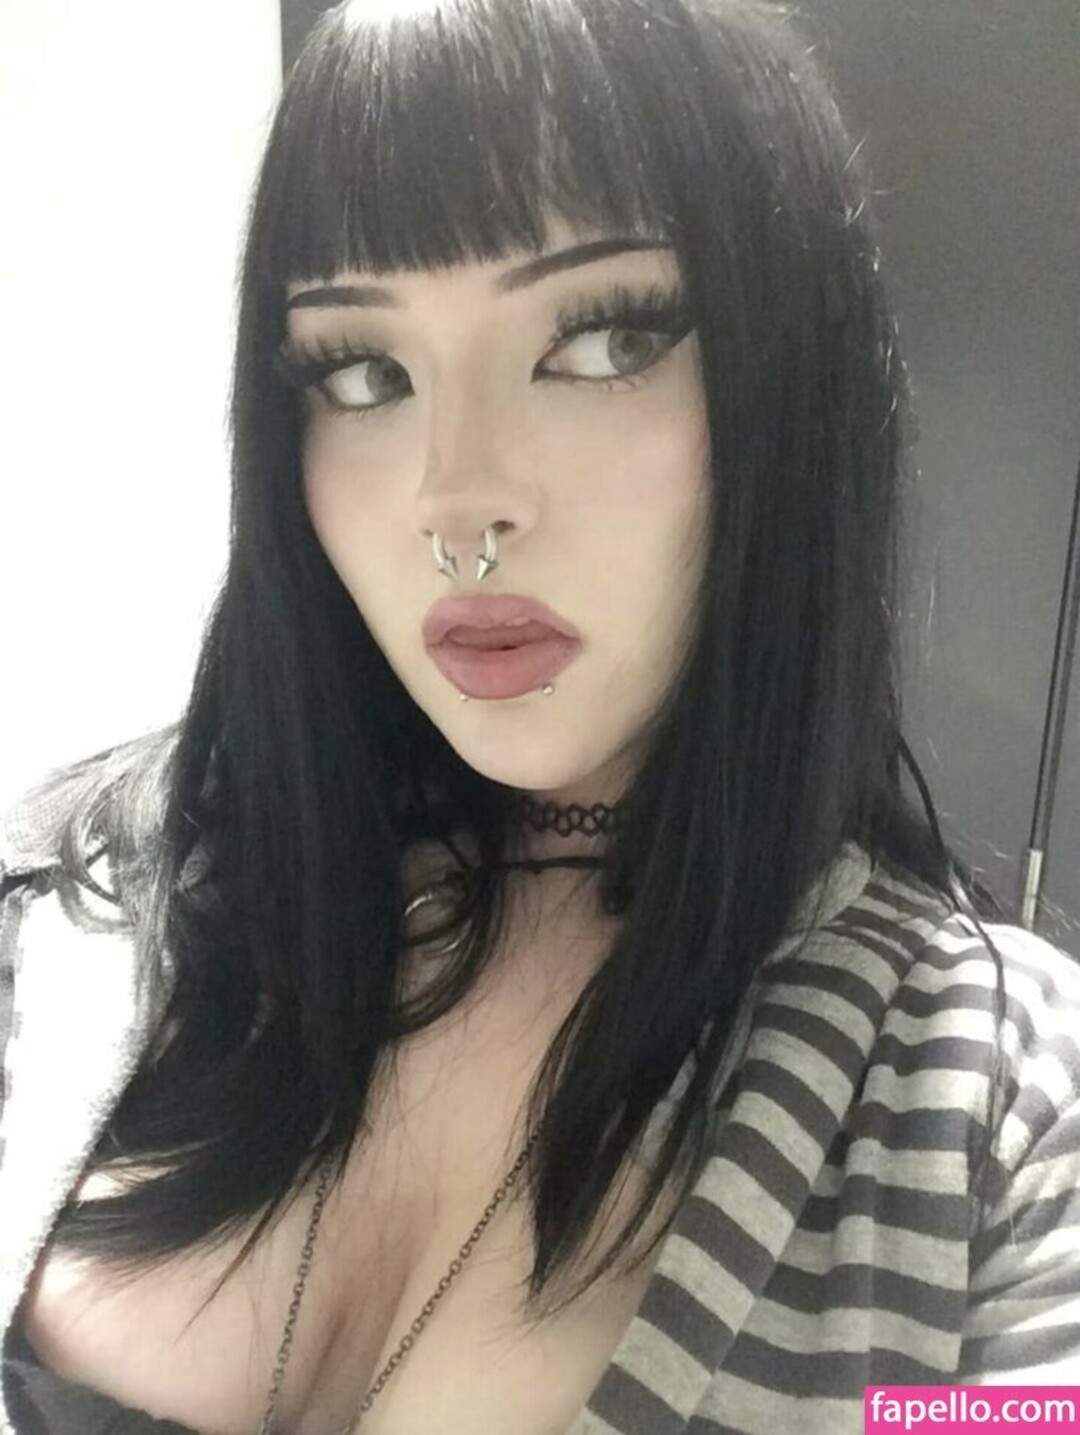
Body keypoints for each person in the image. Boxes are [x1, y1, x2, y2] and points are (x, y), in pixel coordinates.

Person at [1, 0, 1078, 1430]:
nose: (456, 503)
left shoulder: (998, 1114)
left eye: (602, 339)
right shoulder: (82, 907)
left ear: (791, 387)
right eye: (362, 371)